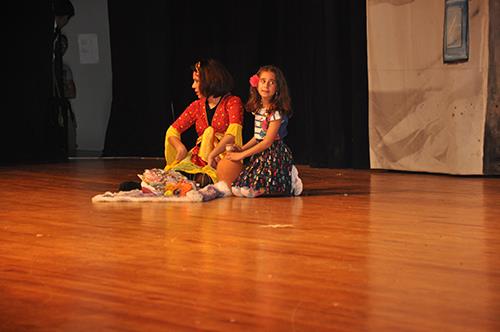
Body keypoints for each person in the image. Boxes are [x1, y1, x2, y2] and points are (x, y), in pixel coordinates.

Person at [225, 65, 303, 198]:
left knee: (261, 186)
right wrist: (241, 149)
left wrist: (242, 155)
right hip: (261, 152)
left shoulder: (276, 113)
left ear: (277, 88)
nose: (266, 85)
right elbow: (258, 137)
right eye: (263, 81)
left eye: (271, 82)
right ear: (256, 83)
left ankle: (290, 179)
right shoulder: (259, 109)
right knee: (238, 189)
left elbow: (267, 142)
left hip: (274, 152)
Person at [164, 59, 244, 186]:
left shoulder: (232, 102)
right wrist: (180, 148)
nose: (193, 86)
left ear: (210, 81)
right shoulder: (197, 106)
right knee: (172, 177)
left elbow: (232, 135)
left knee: (204, 180)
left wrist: (213, 154)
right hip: (198, 158)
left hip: (222, 158)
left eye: (196, 81)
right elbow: (173, 130)